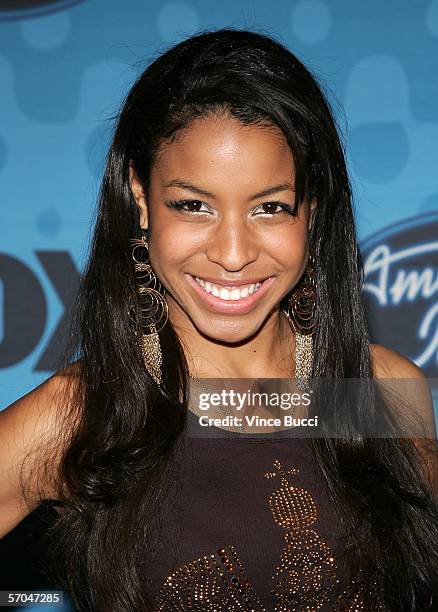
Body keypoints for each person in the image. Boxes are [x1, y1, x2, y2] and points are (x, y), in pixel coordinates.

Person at [0, 28, 437, 612]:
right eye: (193, 205)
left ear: (313, 210)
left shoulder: (381, 392)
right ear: (140, 197)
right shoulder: (86, 412)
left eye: (270, 207)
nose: (233, 254)